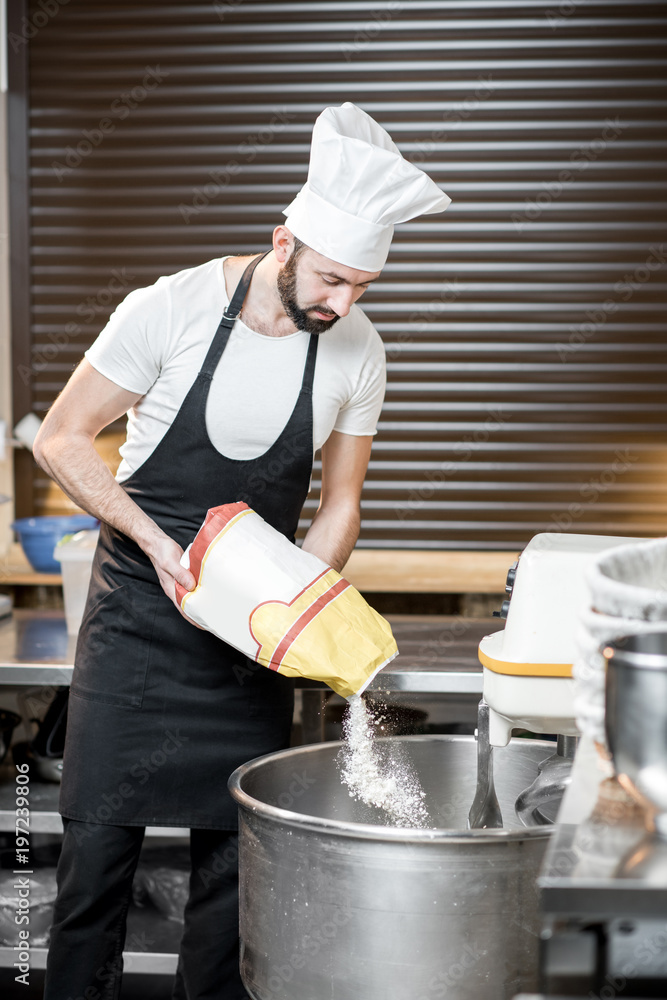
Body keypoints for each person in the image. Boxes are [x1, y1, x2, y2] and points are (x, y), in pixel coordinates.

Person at [34, 102, 450, 1000]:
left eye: (362, 288)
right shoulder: (170, 306)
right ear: (283, 240)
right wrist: (155, 544)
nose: (341, 304)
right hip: (138, 625)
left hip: (248, 642)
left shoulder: (358, 351)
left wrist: (297, 608)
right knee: (93, 871)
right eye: (332, 280)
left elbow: (340, 505)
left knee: (233, 889)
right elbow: (62, 439)